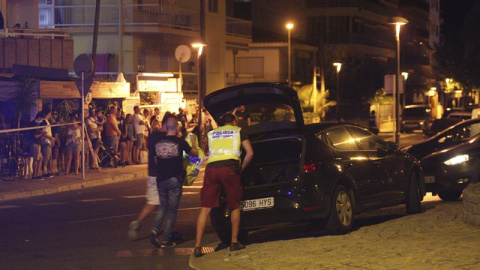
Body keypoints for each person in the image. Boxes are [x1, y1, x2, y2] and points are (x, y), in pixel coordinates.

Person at [194, 113, 254, 257]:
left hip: (212, 168)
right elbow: (250, 153)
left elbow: (210, 151)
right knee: (234, 205)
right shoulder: (238, 131)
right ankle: (234, 242)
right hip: (229, 168)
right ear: (234, 121)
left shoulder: (212, 133)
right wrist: (241, 169)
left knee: (205, 207)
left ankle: (197, 246)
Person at [149, 116, 198, 248]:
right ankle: (166, 240)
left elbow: (155, 160)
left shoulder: (158, 143)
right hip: (174, 179)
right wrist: (194, 143)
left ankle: (155, 229)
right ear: (176, 127)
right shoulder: (180, 142)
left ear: (166, 127)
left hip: (161, 179)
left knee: (163, 207)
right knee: (172, 210)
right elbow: (195, 154)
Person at [127, 113, 169, 241]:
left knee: (151, 202)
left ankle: (137, 222)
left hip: (151, 173)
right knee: (165, 203)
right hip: (162, 174)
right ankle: (157, 229)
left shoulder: (152, 136)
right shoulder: (166, 138)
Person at [39, 108, 56, 178]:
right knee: (46, 157)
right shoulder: (44, 122)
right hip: (46, 142)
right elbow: (44, 132)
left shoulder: (45, 121)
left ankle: (47, 171)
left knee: (48, 157)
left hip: (48, 141)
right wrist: (51, 138)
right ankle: (44, 172)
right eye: (50, 113)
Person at [29, 113, 44, 180]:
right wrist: (42, 134)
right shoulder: (33, 125)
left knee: (40, 158)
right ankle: (35, 175)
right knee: (36, 159)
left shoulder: (37, 124)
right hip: (35, 143)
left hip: (38, 143)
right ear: (39, 118)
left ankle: (37, 174)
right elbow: (35, 136)